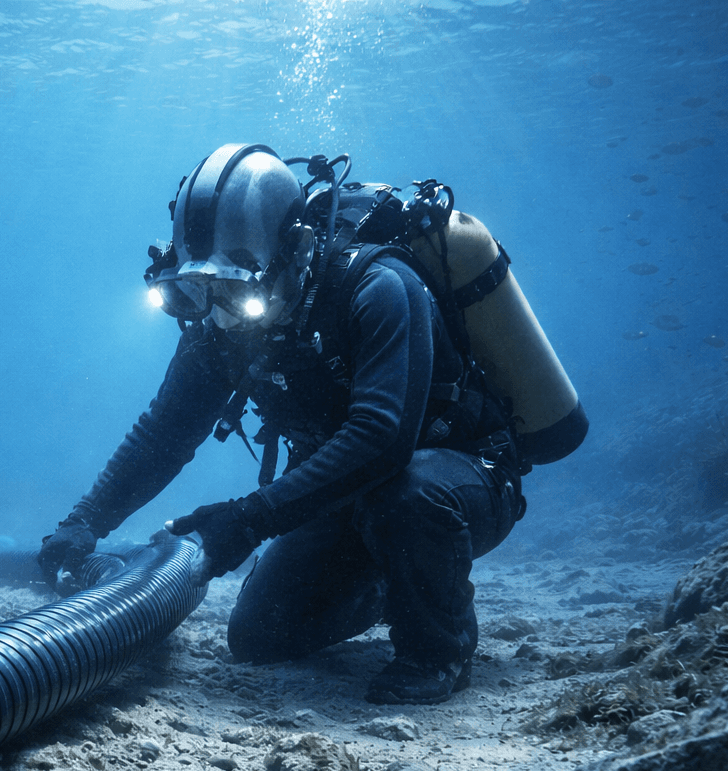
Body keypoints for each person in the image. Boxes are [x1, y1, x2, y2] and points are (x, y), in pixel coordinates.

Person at [37, 144, 531, 705]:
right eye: (197, 292)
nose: (221, 313)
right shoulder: (221, 323)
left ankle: (437, 651)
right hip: (345, 496)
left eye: (235, 288)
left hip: (458, 479)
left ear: (295, 250)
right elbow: (165, 433)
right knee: (260, 636)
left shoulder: (380, 287)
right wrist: (85, 521)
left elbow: (381, 438)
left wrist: (245, 521)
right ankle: (389, 579)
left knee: (407, 494)